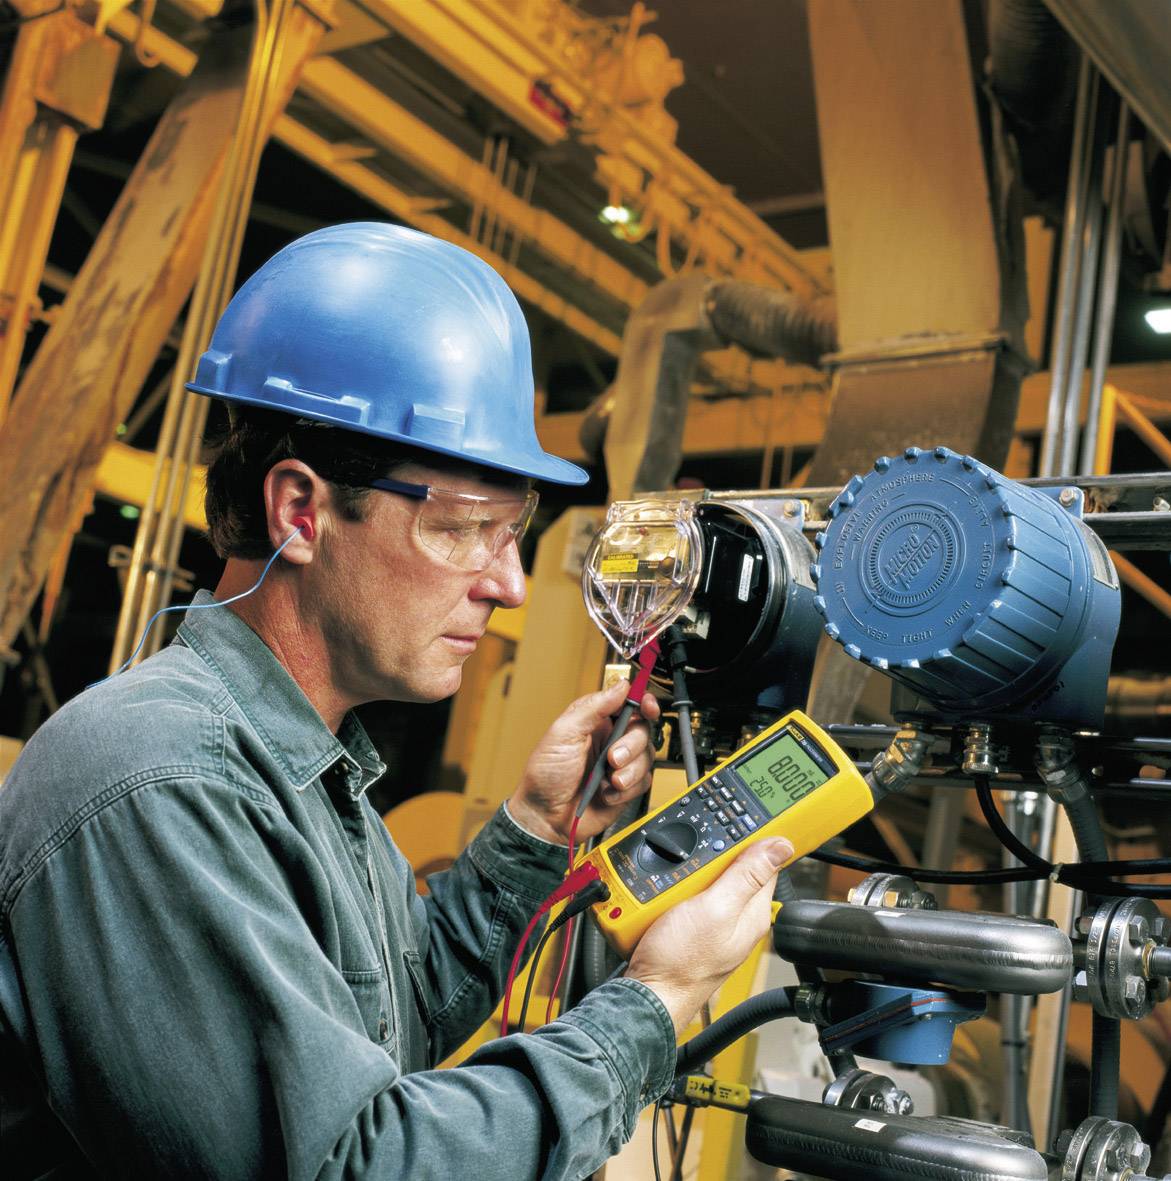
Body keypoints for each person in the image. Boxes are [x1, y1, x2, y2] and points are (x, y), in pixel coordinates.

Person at [0, 223, 793, 1179]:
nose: (505, 584)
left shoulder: (307, 772)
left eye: (514, 533)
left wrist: (535, 829)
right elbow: (349, 1163)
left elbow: (401, 1011)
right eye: (465, 529)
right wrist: (652, 1004)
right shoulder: (158, 777)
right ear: (303, 511)